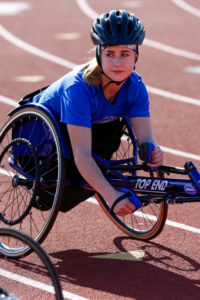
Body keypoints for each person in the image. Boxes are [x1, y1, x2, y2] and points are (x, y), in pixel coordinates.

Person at [32, 10, 164, 217]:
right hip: (41, 149)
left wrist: (151, 150)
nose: (117, 63)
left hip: (90, 136)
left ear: (136, 56)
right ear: (99, 55)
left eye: (125, 54)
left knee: (112, 128)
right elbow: (82, 154)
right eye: (109, 54)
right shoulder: (78, 89)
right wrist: (112, 196)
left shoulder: (135, 87)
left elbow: (146, 138)